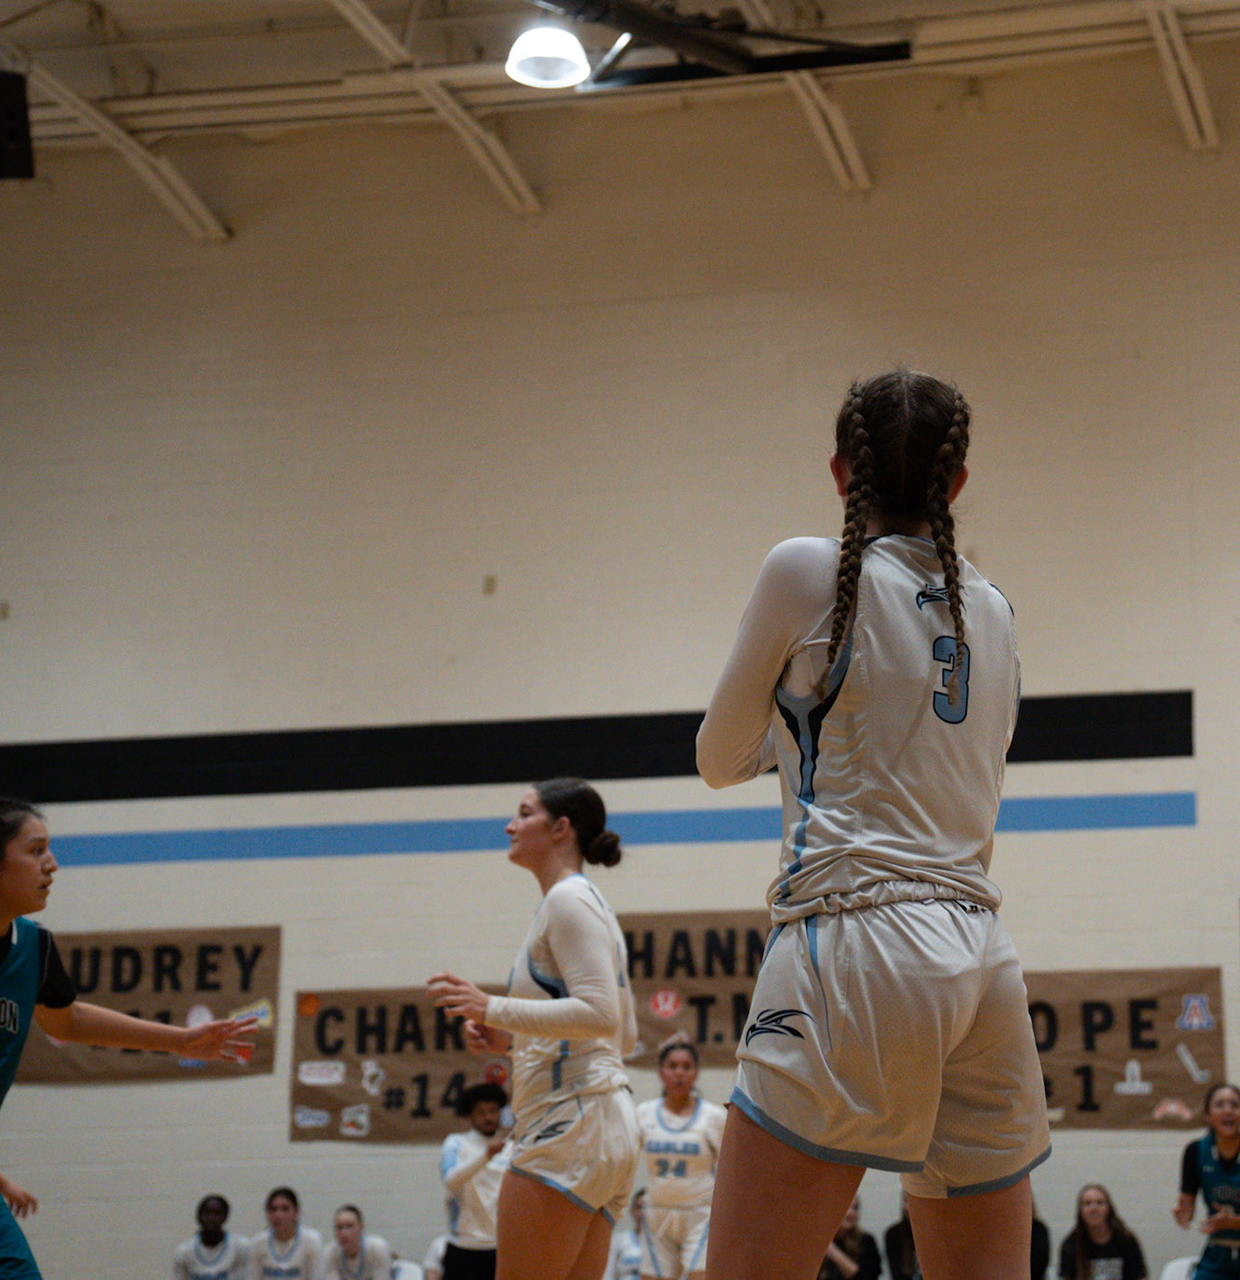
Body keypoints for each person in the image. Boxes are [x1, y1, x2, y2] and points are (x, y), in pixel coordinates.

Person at [696, 369, 1048, 1280]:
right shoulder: (995, 610)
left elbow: (717, 757)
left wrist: (801, 720)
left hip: (855, 947)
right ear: (956, 481)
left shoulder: (804, 570)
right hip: (982, 961)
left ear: (839, 471)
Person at [0, 798, 258, 1280]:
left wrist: (180, 1041)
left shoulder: (33, 946)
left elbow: (67, 1021)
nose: (52, 864)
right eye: (36, 851)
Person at [428, 778, 640, 1280]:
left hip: (567, 1122)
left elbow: (601, 1015)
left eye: (524, 813)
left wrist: (492, 1007)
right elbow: (625, 1036)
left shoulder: (567, 899)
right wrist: (511, 1039)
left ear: (561, 828)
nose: (510, 825)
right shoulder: (588, 902)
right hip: (607, 1123)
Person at [637, 1039, 724, 1280]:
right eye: (672, 1066)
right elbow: (625, 1160)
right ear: (660, 1072)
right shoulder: (643, 1113)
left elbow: (731, 1170)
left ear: (695, 1073)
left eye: (686, 1067)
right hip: (656, 1215)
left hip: (700, 1215)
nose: (679, 1073)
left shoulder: (713, 1117)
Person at [1173, 1083, 1240, 1279]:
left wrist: (1232, 1222)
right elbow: (1187, 1207)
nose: (1228, 1111)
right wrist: (1183, 1215)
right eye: (1219, 1105)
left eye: (1234, 1105)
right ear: (1207, 1115)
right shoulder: (1195, 1151)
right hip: (1218, 1249)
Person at [442, 1082, 514, 1280]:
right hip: (464, 1246)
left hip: (502, 1247)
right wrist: (486, 1155)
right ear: (469, 1115)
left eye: (493, 1111)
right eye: (481, 1112)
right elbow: (450, 1181)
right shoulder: (455, 1143)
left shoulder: (512, 1148)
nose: (488, 1117)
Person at [1056, 1185, 1146, 1280]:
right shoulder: (1071, 1244)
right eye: (1087, 1204)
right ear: (1080, 1211)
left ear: (1108, 1208)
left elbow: (1139, 1276)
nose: (1093, 1209)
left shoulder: (1127, 1241)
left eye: (1099, 1203)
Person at [254, 1187, 324, 1280]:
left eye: (285, 1209)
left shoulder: (312, 1240)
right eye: (273, 1209)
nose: (278, 1215)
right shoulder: (257, 1243)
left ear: (297, 1212)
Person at [177, 1194, 251, 1280]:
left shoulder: (241, 1246)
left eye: (217, 1214)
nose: (212, 1218)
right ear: (199, 1217)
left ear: (225, 1217)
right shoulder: (184, 1251)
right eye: (207, 1213)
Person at [320, 1206, 393, 1280]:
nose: (344, 1233)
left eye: (350, 1226)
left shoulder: (377, 1249)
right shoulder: (329, 1253)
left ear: (361, 1227)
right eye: (339, 1227)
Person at [817, 1199, 881, 1280]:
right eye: (845, 1207)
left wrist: (833, 1252)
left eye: (855, 1208)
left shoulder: (866, 1241)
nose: (850, 1213)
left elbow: (869, 1277)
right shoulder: (819, 1241)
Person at [603, 1191, 649, 1280]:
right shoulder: (619, 1240)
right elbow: (608, 1274)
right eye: (639, 1208)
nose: (643, 1213)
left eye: (647, 1208)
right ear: (632, 1210)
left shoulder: (664, 1244)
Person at [882, 1207, 921, 1280]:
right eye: (905, 1202)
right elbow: (896, 1273)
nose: (908, 1207)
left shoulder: (933, 1233)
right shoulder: (893, 1234)